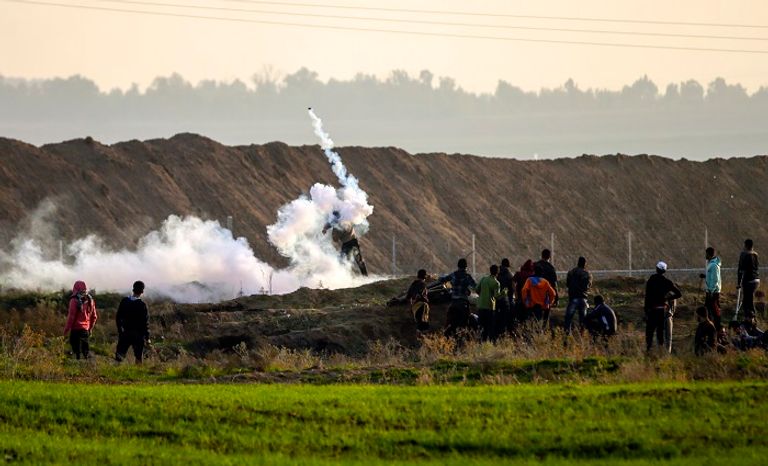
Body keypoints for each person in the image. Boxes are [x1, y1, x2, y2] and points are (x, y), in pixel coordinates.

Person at [644, 261, 682, 353]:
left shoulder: (651, 280)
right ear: (664, 271)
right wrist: (668, 298)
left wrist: (646, 311)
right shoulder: (667, 282)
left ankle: (648, 350)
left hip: (652, 310)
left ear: (656, 269)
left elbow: (647, 297)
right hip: (661, 310)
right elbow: (679, 294)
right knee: (660, 333)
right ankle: (660, 352)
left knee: (649, 332)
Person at [437, 258, 477, 338]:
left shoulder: (453, 274)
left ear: (458, 266)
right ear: (466, 267)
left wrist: (448, 287)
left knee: (449, 322)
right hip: (463, 303)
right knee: (467, 322)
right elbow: (475, 287)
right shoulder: (467, 276)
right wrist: (468, 291)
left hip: (454, 302)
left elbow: (442, 280)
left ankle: (446, 338)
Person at [322, 210, 368, 276]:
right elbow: (330, 223)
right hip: (354, 241)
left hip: (347, 244)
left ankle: (346, 277)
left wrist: (331, 231)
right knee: (358, 260)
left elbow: (335, 239)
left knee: (343, 261)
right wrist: (325, 228)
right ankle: (365, 276)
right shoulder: (347, 217)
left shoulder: (338, 227)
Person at [115, 280, 151, 364]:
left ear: (133, 289)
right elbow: (145, 323)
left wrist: (120, 330)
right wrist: (147, 337)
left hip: (125, 332)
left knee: (119, 356)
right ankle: (138, 371)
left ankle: (114, 370)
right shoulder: (142, 305)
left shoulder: (124, 301)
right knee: (138, 357)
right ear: (142, 291)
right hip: (138, 335)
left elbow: (118, 317)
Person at [64, 280, 98, 360]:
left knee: (76, 354)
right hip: (85, 331)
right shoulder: (91, 300)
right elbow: (94, 317)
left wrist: (66, 330)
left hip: (75, 331)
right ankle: (85, 366)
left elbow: (71, 317)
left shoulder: (73, 300)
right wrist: (90, 329)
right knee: (85, 354)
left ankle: (76, 365)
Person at [475, 264, 504, 341]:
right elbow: (497, 296)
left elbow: (476, 289)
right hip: (490, 307)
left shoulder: (483, 279)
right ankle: (488, 342)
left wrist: (482, 295)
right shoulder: (496, 283)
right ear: (497, 272)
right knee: (489, 327)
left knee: (481, 326)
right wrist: (503, 293)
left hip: (481, 306)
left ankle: (480, 341)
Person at [565, 256, 592, 334]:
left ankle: (567, 334)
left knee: (568, 318)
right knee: (583, 320)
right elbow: (588, 286)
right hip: (583, 298)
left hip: (573, 297)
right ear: (585, 264)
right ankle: (582, 335)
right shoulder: (587, 274)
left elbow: (567, 284)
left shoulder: (571, 272)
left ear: (578, 263)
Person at [737, 239, 759, 318]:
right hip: (756, 280)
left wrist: (739, 283)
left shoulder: (744, 254)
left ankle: (750, 319)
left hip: (748, 280)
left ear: (745, 245)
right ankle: (751, 318)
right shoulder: (755, 254)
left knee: (747, 302)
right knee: (749, 300)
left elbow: (740, 269)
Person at [512, 259, 535, 326]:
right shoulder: (532, 275)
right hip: (529, 299)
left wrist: (515, 293)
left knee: (519, 316)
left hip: (520, 297)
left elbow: (513, 282)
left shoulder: (519, 274)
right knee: (528, 317)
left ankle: (519, 328)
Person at [704, 247, 722, 328]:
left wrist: (711, 291)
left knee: (715, 310)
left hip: (713, 292)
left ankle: (717, 327)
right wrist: (705, 276)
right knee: (708, 310)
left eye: (706, 254)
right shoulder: (711, 264)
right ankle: (710, 325)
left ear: (709, 254)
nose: (705, 255)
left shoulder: (714, 265)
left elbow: (715, 279)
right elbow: (711, 277)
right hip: (710, 291)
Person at [496, 258, 515, 336]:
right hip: (506, 300)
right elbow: (512, 289)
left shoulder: (497, 273)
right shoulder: (509, 275)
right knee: (508, 318)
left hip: (496, 299)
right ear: (508, 265)